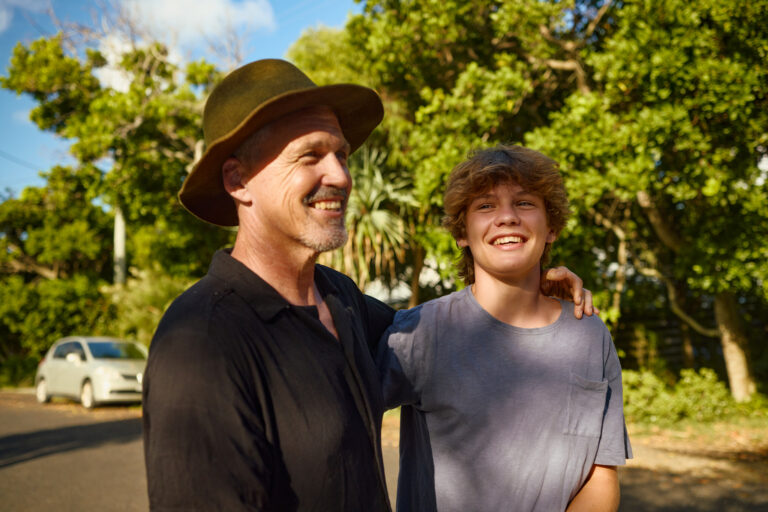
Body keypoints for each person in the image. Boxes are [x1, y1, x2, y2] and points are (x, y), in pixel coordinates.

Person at [142, 59, 595, 511]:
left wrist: (525, 287)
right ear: (238, 181)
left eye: (340, 155)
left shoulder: (341, 300)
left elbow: (453, 331)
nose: (340, 176)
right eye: (310, 156)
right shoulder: (204, 341)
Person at [377, 145, 633, 512]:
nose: (507, 217)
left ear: (552, 228)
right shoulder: (423, 331)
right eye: (485, 206)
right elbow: (337, 425)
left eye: (525, 203)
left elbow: (599, 473)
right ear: (462, 232)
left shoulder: (588, 333)